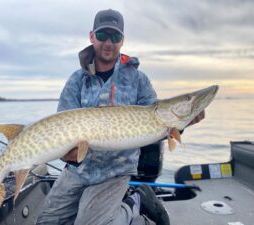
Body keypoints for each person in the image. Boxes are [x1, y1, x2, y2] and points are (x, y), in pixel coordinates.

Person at [36, 9, 204, 225]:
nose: (109, 42)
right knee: (45, 221)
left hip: (116, 171)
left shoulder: (138, 80)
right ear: (91, 36)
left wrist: (180, 126)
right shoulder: (77, 81)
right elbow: (63, 127)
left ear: (122, 40)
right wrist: (64, 153)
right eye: (103, 35)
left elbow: (155, 129)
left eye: (115, 36)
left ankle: (135, 202)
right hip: (79, 170)